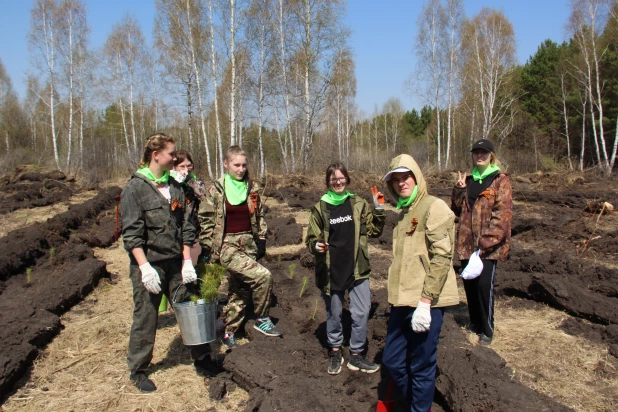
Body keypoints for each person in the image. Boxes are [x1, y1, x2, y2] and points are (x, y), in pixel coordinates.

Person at [120, 133, 210, 393]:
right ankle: (138, 370)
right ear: (155, 154)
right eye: (171, 153)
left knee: (189, 309)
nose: (175, 157)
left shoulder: (175, 186)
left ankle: (202, 358)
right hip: (150, 264)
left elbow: (186, 226)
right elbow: (132, 235)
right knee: (146, 316)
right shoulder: (135, 189)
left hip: (176, 263)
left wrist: (186, 262)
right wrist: (145, 268)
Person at [381, 154, 459, 412]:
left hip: (427, 301)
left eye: (406, 177)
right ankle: (417, 402)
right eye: (396, 180)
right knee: (392, 360)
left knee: (422, 365)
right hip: (402, 300)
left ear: (416, 177)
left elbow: (442, 256)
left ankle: (419, 408)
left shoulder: (433, 207)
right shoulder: (403, 212)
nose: (401, 183)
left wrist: (426, 302)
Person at [305, 163, 386, 375]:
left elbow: (375, 231)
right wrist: (316, 245)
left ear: (347, 180)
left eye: (341, 178)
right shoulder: (320, 208)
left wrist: (378, 209)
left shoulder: (358, 203)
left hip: (357, 268)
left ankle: (357, 355)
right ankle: (335, 351)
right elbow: (311, 239)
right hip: (332, 270)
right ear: (328, 182)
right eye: (334, 179)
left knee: (361, 313)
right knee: (334, 314)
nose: (338, 182)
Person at [198, 145, 281, 349]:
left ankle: (229, 332)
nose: (241, 169)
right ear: (226, 164)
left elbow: (259, 215)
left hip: (248, 244)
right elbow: (205, 219)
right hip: (226, 245)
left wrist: (261, 239)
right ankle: (262, 319)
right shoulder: (216, 189)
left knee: (240, 290)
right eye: (236, 165)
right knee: (263, 276)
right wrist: (210, 247)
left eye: (244, 165)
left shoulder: (251, 188)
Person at [451, 139, 512, 345]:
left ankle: (487, 329)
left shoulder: (500, 180)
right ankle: (475, 323)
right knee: (470, 285)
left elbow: (502, 215)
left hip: (487, 248)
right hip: (467, 243)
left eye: (484, 153)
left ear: (491, 156)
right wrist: (459, 189)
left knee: (484, 286)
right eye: (476, 152)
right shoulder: (468, 180)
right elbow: (458, 210)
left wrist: (485, 243)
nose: (479, 156)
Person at [171, 150, 206, 265]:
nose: (186, 169)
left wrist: (189, 181)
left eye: (189, 165)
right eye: (182, 166)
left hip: (193, 231)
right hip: (174, 232)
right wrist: (177, 181)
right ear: (174, 167)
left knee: (192, 262)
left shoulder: (196, 182)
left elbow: (203, 199)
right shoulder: (168, 183)